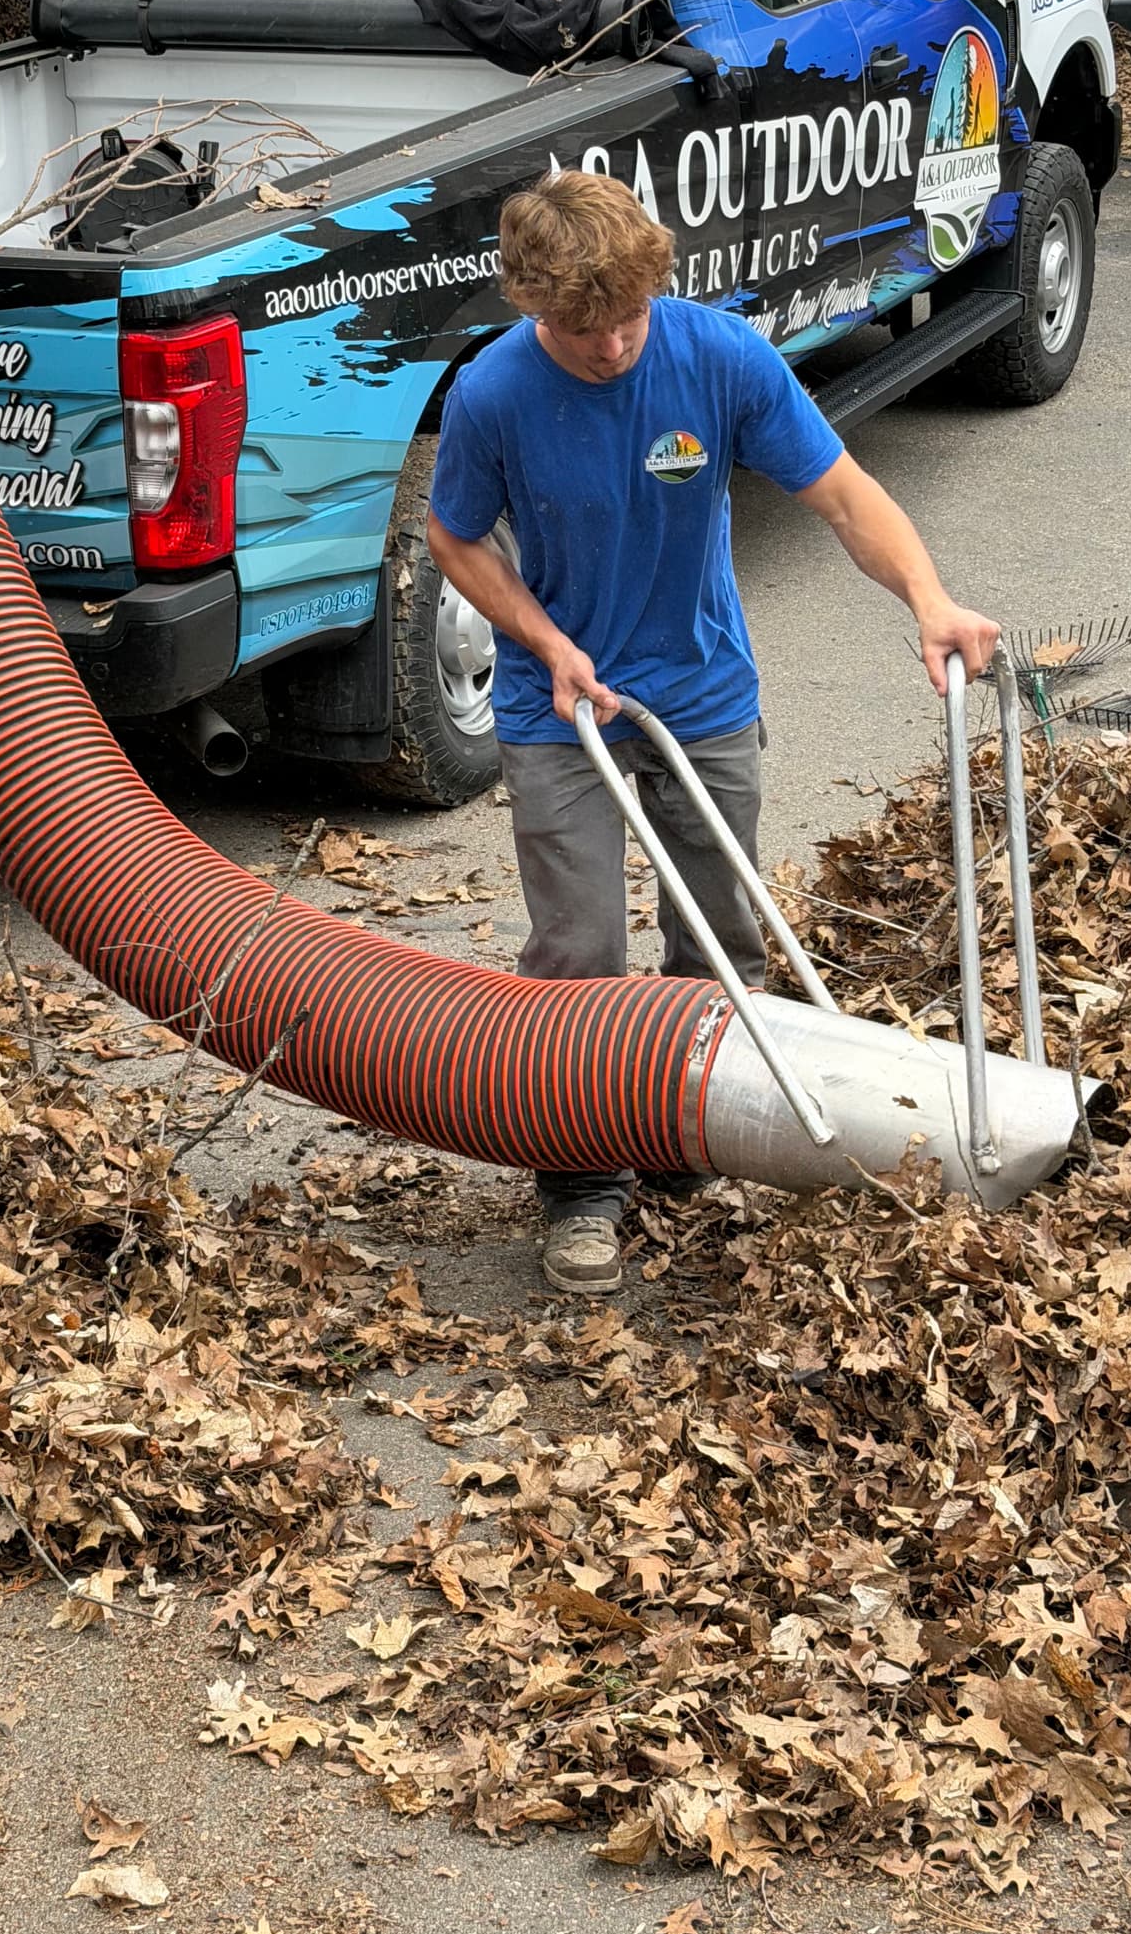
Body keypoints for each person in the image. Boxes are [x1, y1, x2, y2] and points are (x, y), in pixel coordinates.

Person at [426, 170, 1001, 1296]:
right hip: (565, 705)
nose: (613, 346)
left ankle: (689, 1129)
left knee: (724, 935)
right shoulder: (496, 393)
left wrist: (928, 598)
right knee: (579, 952)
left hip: (703, 687)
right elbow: (456, 541)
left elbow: (843, 496)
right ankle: (582, 1179)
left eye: (631, 316)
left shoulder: (719, 356)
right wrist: (543, 641)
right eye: (585, 328)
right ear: (536, 306)